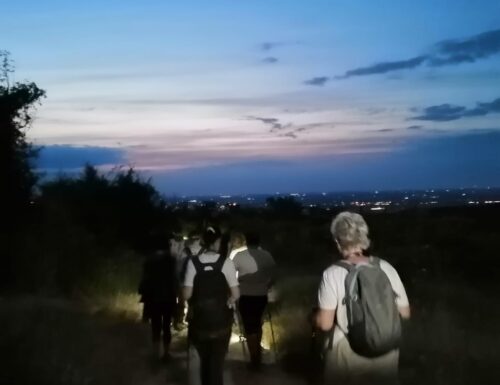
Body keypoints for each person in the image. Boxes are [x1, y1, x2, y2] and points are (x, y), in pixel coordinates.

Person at [315, 212, 410, 384]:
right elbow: (405, 313)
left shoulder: (332, 274)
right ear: (364, 237)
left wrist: (315, 317)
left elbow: (325, 324)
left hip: (348, 350)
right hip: (386, 348)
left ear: (338, 242)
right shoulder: (386, 268)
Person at [182, 226, 240, 385]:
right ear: (218, 242)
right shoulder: (226, 263)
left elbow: (186, 294)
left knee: (204, 360)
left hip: (200, 321)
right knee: (217, 362)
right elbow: (236, 294)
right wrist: (229, 301)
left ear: (203, 242)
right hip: (221, 320)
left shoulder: (192, 263)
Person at [232, 231, 276, 370]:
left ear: (246, 242)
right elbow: (273, 274)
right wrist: (268, 285)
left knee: (249, 327)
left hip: (245, 295)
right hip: (261, 295)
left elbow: (231, 275)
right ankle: (257, 353)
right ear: (259, 241)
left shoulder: (239, 256)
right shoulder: (266, 255)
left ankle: (254, 358)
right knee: (258, 324)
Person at [138, 233, 177, 363]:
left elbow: (145, 280)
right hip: (168, 297)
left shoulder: (149, 260)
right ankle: (166, 353)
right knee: (166, 326)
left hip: (153, 297)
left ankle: (155, 353)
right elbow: (174, 280)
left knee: (155, 326)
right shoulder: (171, 260)